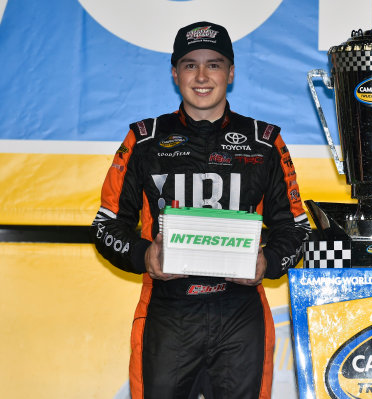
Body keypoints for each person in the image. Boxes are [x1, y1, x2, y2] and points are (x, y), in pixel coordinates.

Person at [90, 21, 310, 399]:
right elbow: (105, 225)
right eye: (191, 64)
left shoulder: (265, 141)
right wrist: (146, 255)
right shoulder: (144, 139)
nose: (203, 75)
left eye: (214, 63)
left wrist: (268, 262)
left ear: (231, 72)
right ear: (175, 73)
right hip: (168, 313)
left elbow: (298, 230)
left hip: (241, 315)